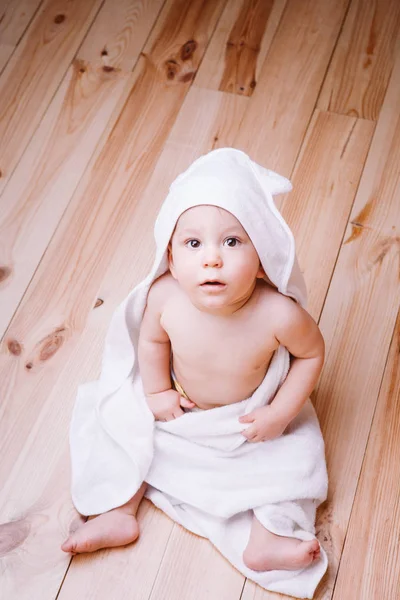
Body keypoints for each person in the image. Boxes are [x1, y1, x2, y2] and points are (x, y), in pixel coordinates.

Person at [62, 200, 324, 573]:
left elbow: (312, 354)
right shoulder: (166, 296)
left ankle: (269, 538)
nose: (212, 259)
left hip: (249, 420)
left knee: (297, 457)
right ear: (170, 257)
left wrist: (280, 414)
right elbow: (153, 343)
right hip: (181, 406)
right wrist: (156, 393)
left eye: (232, 242)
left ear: (263, 258)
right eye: (193, 243)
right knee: (122, 422)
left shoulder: (278, 313)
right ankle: (118, 510)